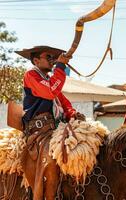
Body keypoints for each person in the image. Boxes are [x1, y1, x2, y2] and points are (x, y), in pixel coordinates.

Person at [15, 45, 85, 200]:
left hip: (55, 128)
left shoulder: (49, 80)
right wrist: (60, 65)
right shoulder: (31, 74)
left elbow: (63, 102)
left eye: (53, 58)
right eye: (48, 57)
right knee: (51, 160)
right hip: (38, 131)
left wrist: (73, 114)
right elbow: (50, 92)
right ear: (36, 60)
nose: (52, 60)